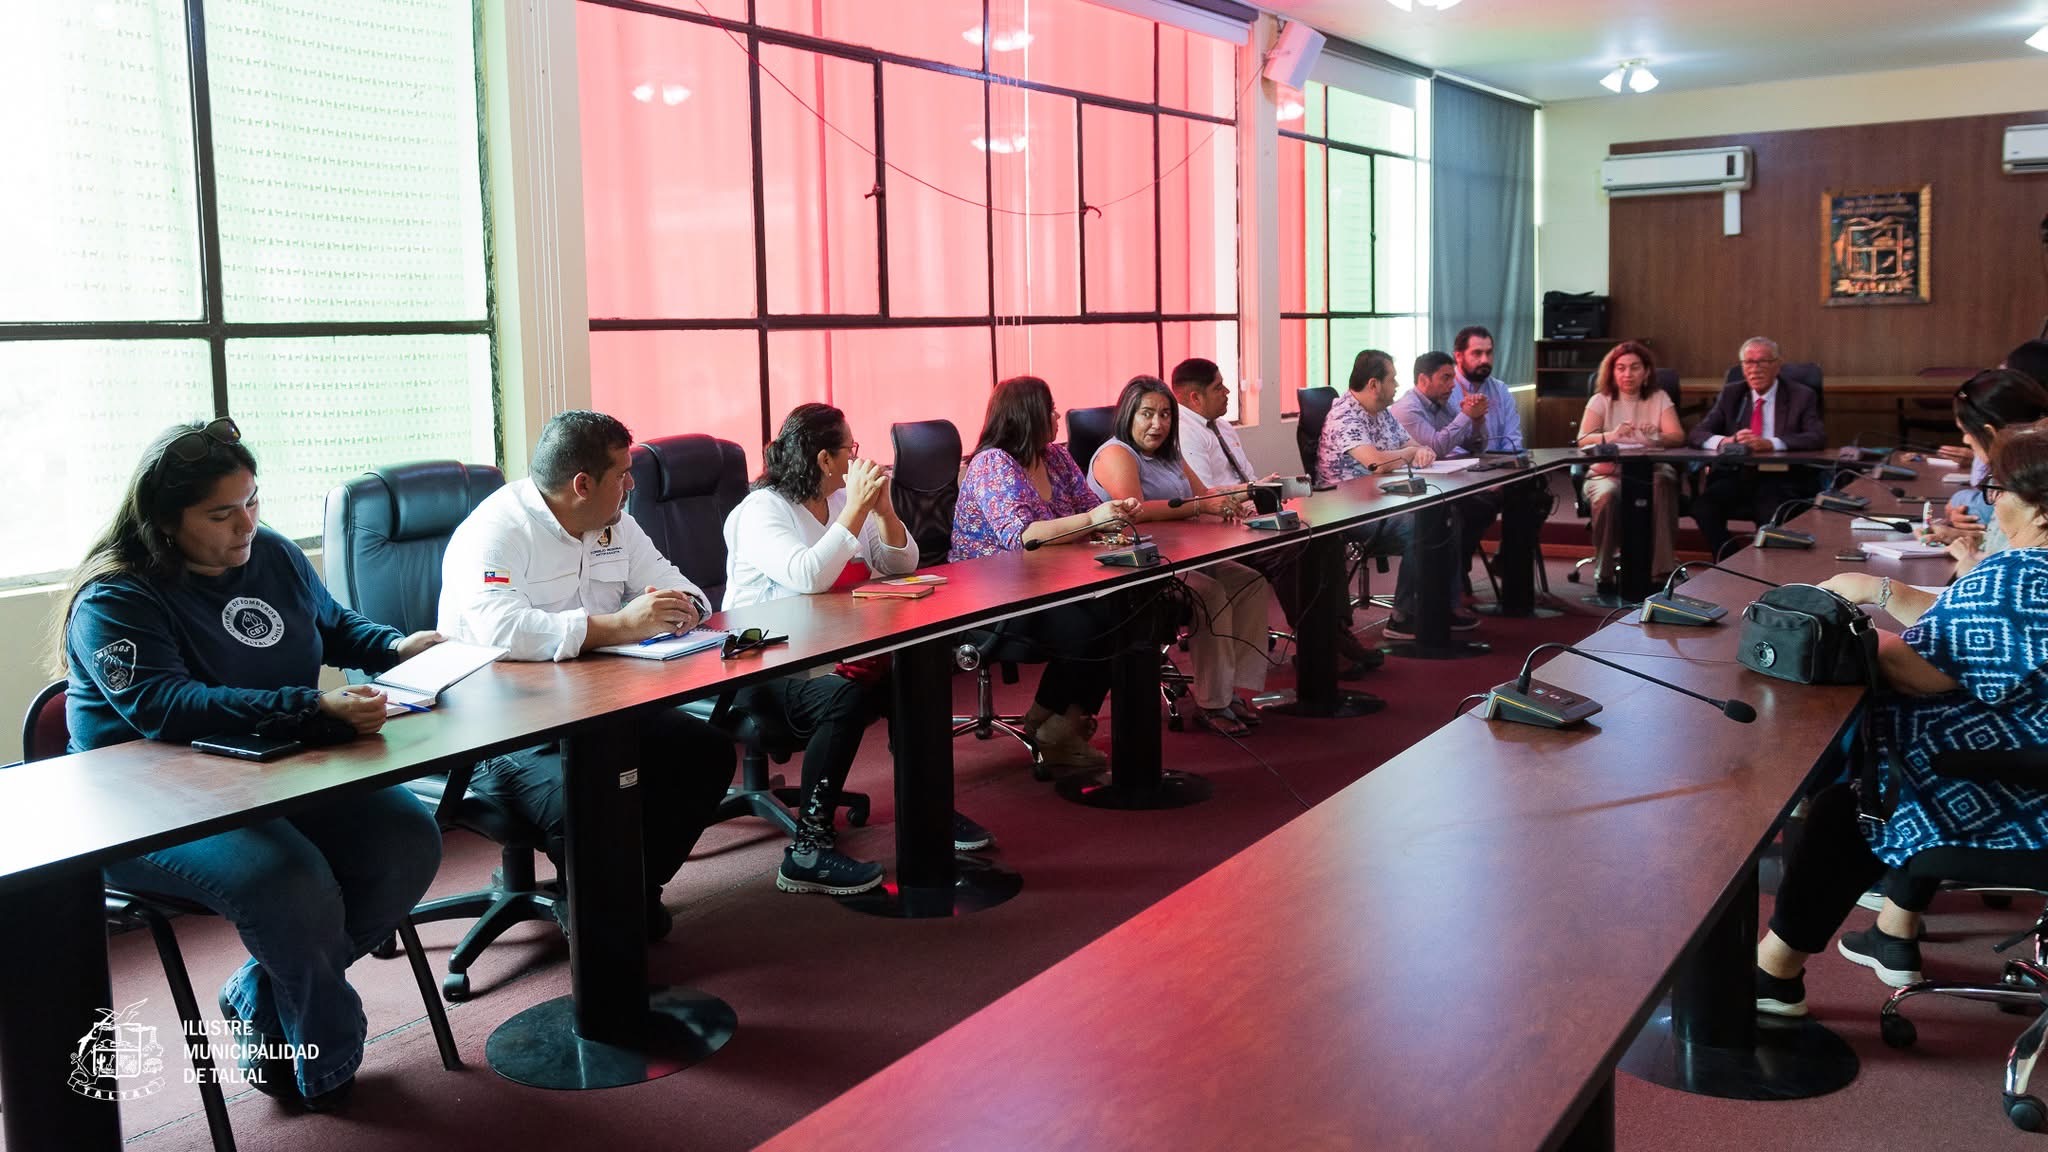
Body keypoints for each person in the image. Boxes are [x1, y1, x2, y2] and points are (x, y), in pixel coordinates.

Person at [58, 418, 445, 1110]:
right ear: (164, 522)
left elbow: (332, 626)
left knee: (407, 841)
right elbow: (165, 707)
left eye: (252, 500)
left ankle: (256, 994)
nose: (246, 523)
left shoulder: (270, 552)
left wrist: (395, 647)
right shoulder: (115, 596)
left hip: (269, 768)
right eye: (221, 514)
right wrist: (312, 707)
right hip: (148, 802)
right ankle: (324, 1063)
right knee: (288, 883)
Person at [1754, 422, 2048, 1014]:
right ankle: (1872, 939)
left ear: (2037, 505)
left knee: (1851, 806)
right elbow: (1967, 637)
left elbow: (1921, 673)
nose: (1990, 504)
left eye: (1997, 491)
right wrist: (1879, 593)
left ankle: (1771, 977)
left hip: (2017, 797)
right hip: (2024, 765)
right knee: (1868, 783)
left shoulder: (2019, 575)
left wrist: (1857, 630)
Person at [437, 410, 737, 940]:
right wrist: (620, 625)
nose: (632, 484)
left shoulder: (616, 523)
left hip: (595, 707)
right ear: (583, 484)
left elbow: (683, 588)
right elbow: (500, 630)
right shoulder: (497, 530)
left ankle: (630, 889)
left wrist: (682, 608)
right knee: (587, 800)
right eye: (622, 473)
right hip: (500, 727)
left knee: (705, 753)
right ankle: (603, 917)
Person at [723, 403, 990, 890]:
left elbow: (901, 565)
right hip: (767, 666)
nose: (857, 457)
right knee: (841, 697)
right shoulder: (762, 510)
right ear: (825, 459)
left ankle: (927, 809)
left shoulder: (846, 499)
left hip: (833, 650)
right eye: (851, 448)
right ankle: (807, 849)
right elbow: (807, 576)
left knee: (913, 675)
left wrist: (883, 510)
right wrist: (855, 511)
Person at [951, 376, 1141, 770]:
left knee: (1127, 607)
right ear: (1027, 415)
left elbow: (1088, 506)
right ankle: (1052, 723)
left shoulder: (1054, 456)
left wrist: (1113, 514)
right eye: (1050, 409)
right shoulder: (992, 464)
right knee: (1090, 626)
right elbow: (1022, 537)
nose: (1056, 416)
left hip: (1055, 582)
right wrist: (1092, 520)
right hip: (998, 596)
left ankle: (1056, 723)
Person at [1170, 358, 1383, 678]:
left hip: (1249, 515)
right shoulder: (1183, 432)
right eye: (1219, 387)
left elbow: (1246, 478)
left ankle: (1336, 632)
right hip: (1216, 529)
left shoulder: (1221, 425)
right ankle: (1318, 648)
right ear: (1194, 397)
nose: (1228, 392)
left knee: (1324, 536)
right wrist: (1253, 494)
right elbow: (1206, 497)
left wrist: (1266, 493)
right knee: (1294, 549)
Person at [1087, 376, 1273, 736]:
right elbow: (1136, 510)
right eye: (1147, 414)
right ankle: (1213, 703)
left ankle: (1233, 689)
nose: (1157, 424)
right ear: (1128, 415)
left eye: (1165, 415)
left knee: (1250, 583)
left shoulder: (1170, 454)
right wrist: (1198, 508)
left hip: (1182, 556)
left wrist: (1236, 499)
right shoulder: (1116, 454)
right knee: (1210, 594)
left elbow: (1202, 496)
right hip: (1135, 565)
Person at [1318, 349, 1470, 639]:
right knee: (1421, 524)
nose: (1398, 385)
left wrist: (1420, 451)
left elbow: (1412, 445)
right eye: (1393, 379)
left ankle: (1444, 607)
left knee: (1447, 515)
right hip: (1351, 509)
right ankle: (1403, 617)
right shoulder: (1344, 416)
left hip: (1383, 499)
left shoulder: (1381, 413)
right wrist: (1410, 454)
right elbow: (1375, 463)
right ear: (1374, 384)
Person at [1686, 336, 1826, 559]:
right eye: (1749, 363)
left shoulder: (1801, 395)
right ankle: (1729, 561)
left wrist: (1772, 443)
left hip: (1781, 478)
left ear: (1777, 365)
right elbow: (1697, 434)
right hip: (1737, 475)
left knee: (1769, 511)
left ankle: (1765, 570)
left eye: (1762, 362)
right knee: (1704, 507)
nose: (1755, 369)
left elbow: (1816, 437)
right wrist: (1726, 441)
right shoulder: (1732, 394)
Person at [1575, 340, 1683, 595]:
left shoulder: (1659, 398)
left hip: (1651, 471)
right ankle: (1604, 570)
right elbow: (1583, 440)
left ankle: (1660, 571)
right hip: (1607, 472)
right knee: (1607, 495)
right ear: (1612, 372)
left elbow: (1677, 436)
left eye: (1635, 368)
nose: (1627, 374)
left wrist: (1657, 437)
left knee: (1662, 483)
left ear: (1646, 372)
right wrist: (1611, 435)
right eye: (1621, 368)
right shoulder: (1600, 400)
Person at [1923, 369, 2048, 576]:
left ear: (1991, 433)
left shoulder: (2022, 487)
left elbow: (2018, 578)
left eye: (1966, 432)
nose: (1965, 440)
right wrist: (1975, 539)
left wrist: (1970, 565)